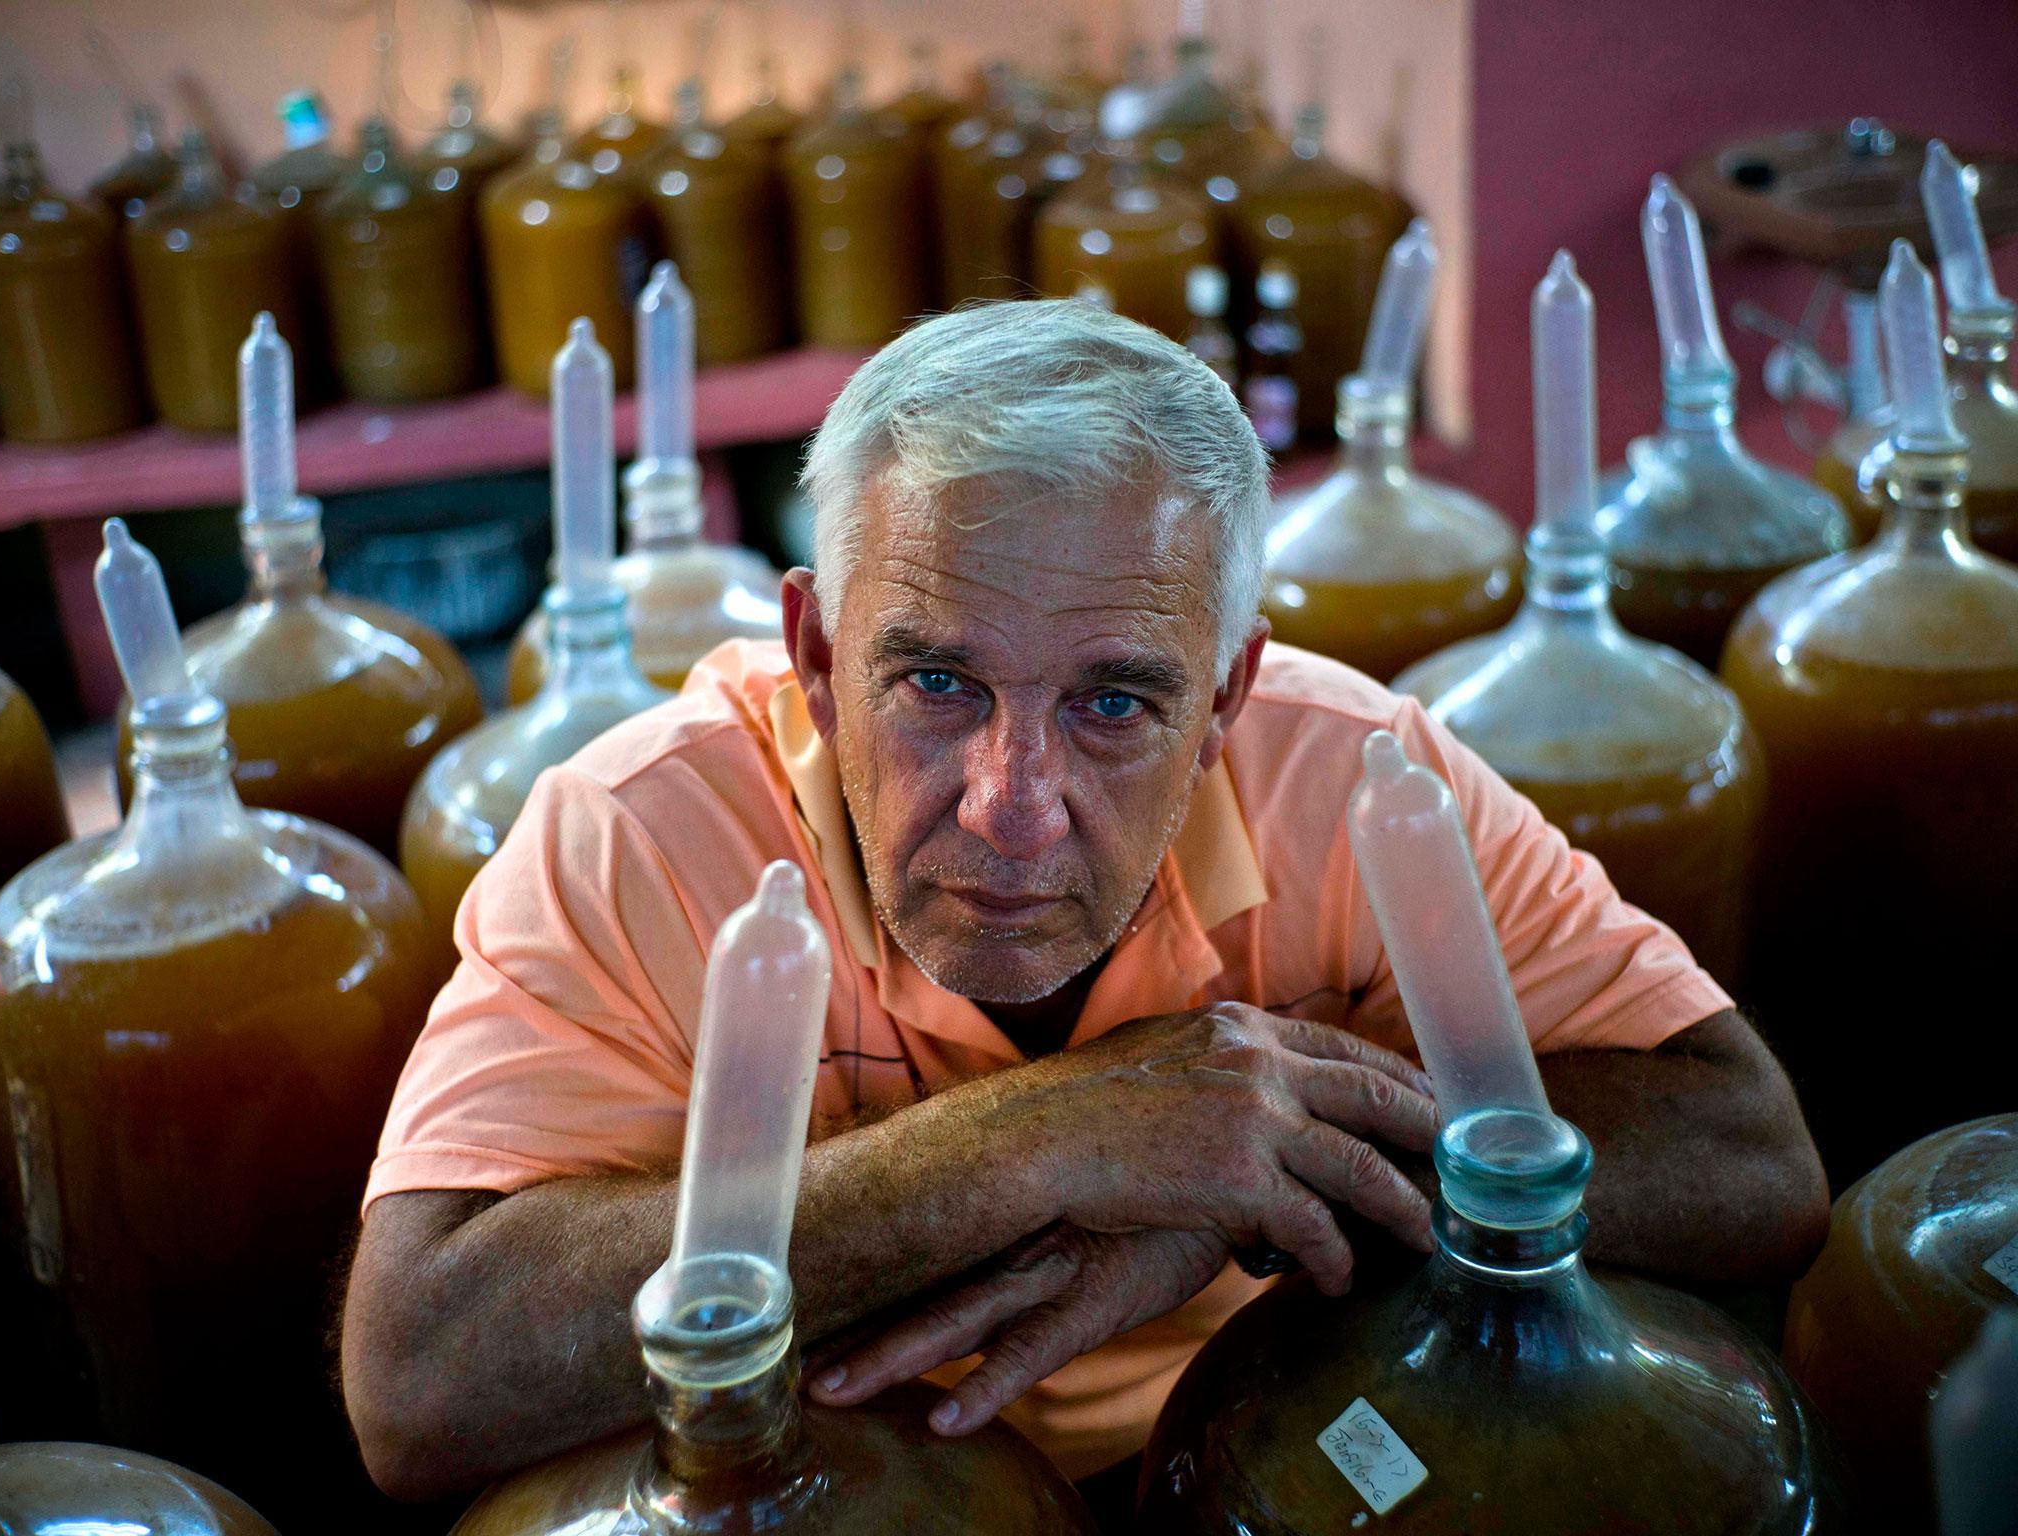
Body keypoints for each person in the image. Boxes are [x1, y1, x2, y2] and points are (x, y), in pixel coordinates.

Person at [340, 299, 1828, 1513]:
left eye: (1117, 702)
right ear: (812, 649)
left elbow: (1744, 1150)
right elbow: (421, 1381)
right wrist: (1056, 1137)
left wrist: (1254, 1177)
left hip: (1257, 1461)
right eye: (936, 684)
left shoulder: (1363, 783)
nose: (1012, 804)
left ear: (1230, 693)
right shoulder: (638, 833)